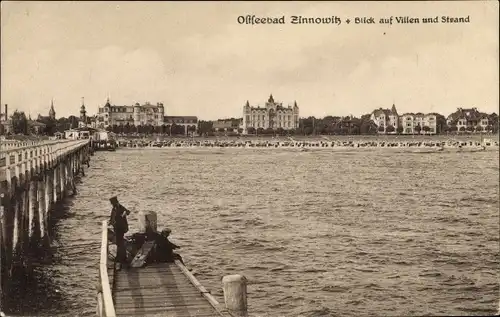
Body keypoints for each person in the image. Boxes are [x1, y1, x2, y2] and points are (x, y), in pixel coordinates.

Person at [108, 196, 131, 269]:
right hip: (117, 228)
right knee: (119, 243)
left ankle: (121, 258)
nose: (112, 205)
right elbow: (112, 217)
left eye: (113, 203)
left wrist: (124, 213)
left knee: (120, 243)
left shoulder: (120, 207)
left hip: (120, 228)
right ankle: (121, 257)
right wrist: (110, 222)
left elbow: (128, 212)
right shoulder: (114, 208)